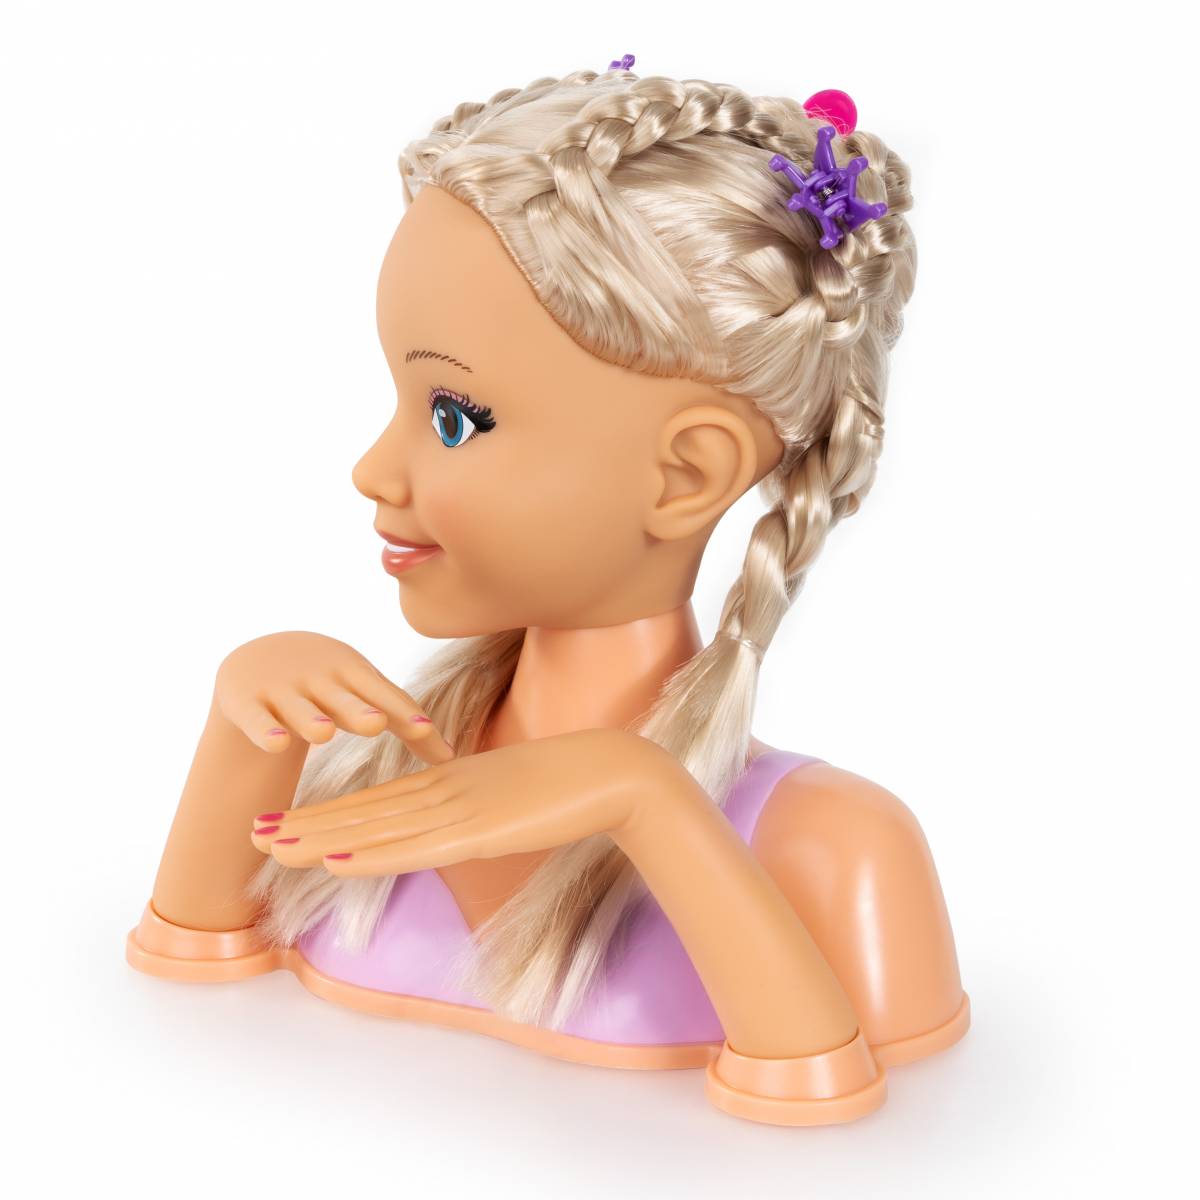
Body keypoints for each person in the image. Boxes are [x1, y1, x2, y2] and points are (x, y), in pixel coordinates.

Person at [127, 63, 969, 1127]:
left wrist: (649, 802)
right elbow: (191, 979)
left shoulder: (837, 846)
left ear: (687, 474)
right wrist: (243, 730)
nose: (373, 471)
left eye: (454, 418)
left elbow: (839, 1121)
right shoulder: (377, 771)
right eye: (401, 400)